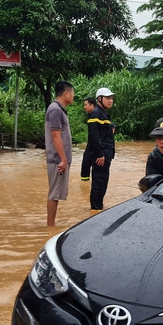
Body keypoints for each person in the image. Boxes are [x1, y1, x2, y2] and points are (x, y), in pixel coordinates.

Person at [45, 81, 74, 227]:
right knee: (54, 194)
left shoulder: (58, 109)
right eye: (72, 93)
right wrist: (63, 159)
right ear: (66, 93)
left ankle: (51, 225)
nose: (73, 96)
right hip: (57, 160)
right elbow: (56, 136)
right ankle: (50, 226)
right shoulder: (55, 109)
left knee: (56, 193)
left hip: (59, 159)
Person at [87, 88, 116, 212]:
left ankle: (98, 207)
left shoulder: (102, 113)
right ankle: (95, 209)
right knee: (99, 182)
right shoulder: (96, 113)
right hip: (101, 155)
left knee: (102, 181)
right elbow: (93, 135)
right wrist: (99, 153)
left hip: (105, 153)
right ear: (100, 99)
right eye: (108, 98)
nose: (111, 101)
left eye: (111, 98)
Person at [79, 97, 97, 181]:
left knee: (88, 163)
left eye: (86, 105)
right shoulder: (91, 115)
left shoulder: (96, 115)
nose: (84, 107)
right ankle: (85, 183)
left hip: (95, 145)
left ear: (92, 105)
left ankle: (86, 182)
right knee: (85, 163)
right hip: (91, 144)